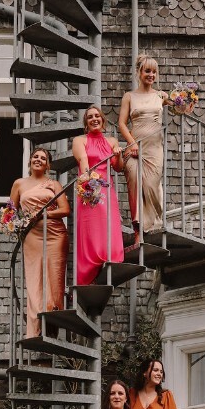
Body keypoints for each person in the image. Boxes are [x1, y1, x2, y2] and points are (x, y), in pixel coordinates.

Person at [9, 147, 70, 338]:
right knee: (34, 279)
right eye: (35, 156)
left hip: (55, 233)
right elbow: (10, 212)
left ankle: (51, 325)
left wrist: (44, 214)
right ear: (30, 161)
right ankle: (35, 329)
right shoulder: (19, 184)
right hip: (32, 236)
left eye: (43, 158)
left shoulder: (54, 184)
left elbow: (65, 209)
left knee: (55, 278)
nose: (38, 160)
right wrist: (16, 224)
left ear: (47, 165)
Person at [118, 54, 169, 245]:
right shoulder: (129, 96)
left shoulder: (160, 95)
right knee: (134, 183)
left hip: (154, 147)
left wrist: (186, 102)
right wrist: (131, 143)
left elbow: (178, 108)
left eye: (154, 71)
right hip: (134, 147)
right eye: (147, 71)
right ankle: (138, 229)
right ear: (139, 72)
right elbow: (122, 123)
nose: (151, 75)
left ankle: (155, 224)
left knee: (151, 186)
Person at [72, 106, 124, 287]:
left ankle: (108, 258)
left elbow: (118, 167)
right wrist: (88, 180)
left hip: (106, 189)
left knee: (107, 224)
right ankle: (88, 273)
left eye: (97, 116)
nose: (94, 119)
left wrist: (119, 154)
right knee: (90, 229)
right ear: (86, 122)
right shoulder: (80, 140)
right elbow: (83, 160)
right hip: (88, 188)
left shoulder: (111, 141)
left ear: (103, 120)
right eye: (90, 117)